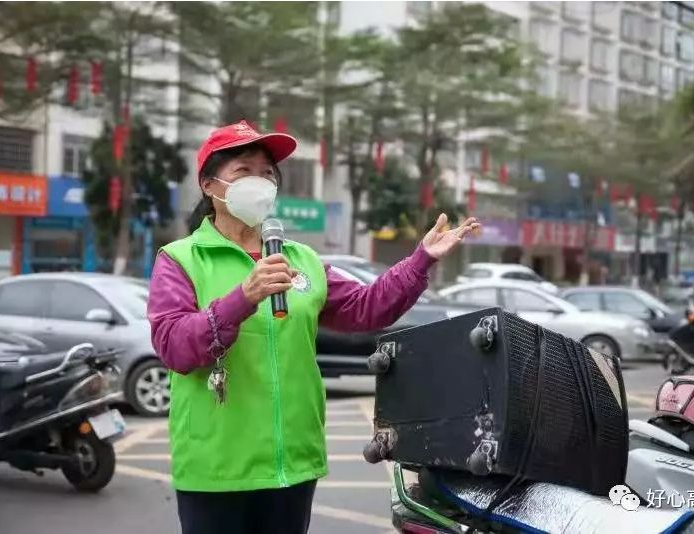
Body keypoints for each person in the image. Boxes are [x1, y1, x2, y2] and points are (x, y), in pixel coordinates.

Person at [147, 120, 479, 534]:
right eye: (244, 170)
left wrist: (421, 260)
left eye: (267, 173)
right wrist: (241, 299)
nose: (260, 181)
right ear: (209, 184)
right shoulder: (180, 259)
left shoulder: (300, 259)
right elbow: (175, 347)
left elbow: (366, 308)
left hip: (293, 465)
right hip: (217, 467)